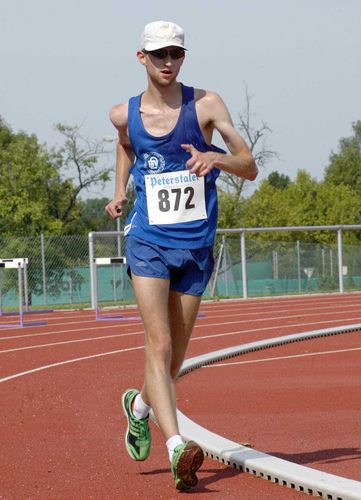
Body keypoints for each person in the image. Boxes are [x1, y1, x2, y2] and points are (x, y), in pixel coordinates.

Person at [105, 20, 258, 491]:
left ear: (183, 57)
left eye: (175, 53)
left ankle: (140, 408)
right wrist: (119, 192)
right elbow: (126, 145)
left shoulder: (206, 104)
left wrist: (215, 158)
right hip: (147, 239)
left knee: (175, 358)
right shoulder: (122, 114)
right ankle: (176, 447)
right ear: (141, 58)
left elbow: (249, 166)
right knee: (160, 344)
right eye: (158, 54)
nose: (167, 62)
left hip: (195, 244)